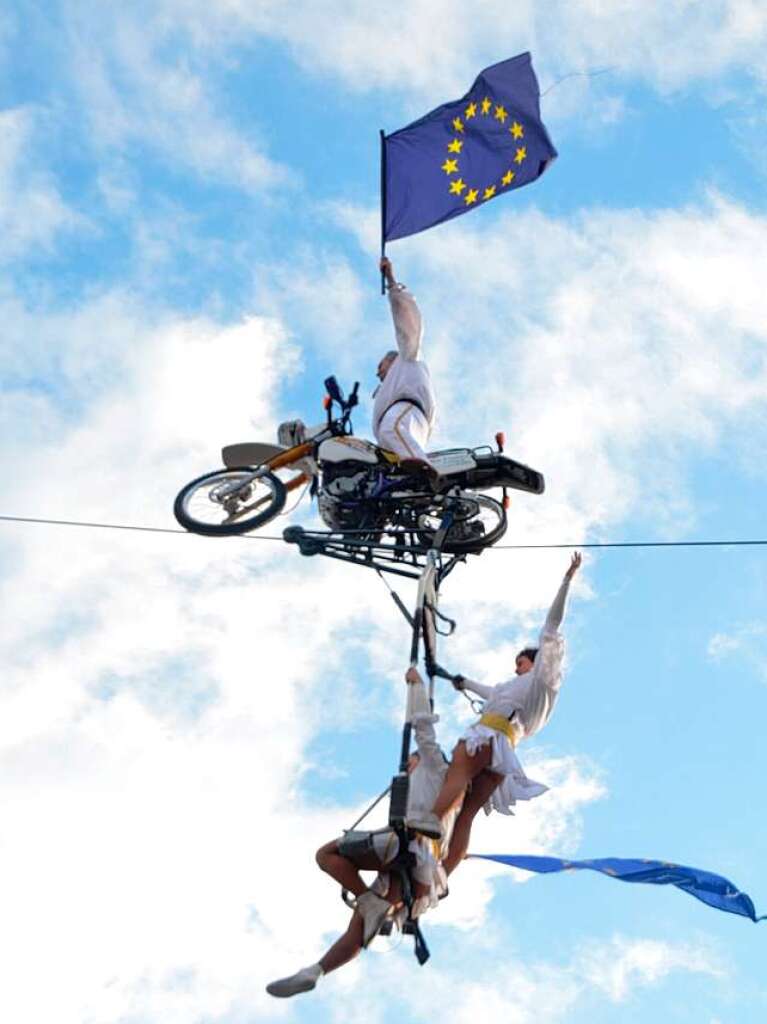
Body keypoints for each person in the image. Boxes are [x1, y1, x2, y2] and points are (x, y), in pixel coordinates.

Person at [265, 667, 462, 999]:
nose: (410, 765)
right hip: (421, 871)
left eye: (413, 761)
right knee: (358, 931)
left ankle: (368, 903)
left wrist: (415, 685)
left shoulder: (434, 766)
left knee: (327, 855)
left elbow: (423, 727)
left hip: (407, 845)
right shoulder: (452, 797)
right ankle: (317, 970)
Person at [408, 553, 582, 855]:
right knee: (467, 814)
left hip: (489, 737)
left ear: (535, 661)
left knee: (458, 774)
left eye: (521, 662)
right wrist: (461, 682)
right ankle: (447, 866)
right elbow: (491, 692)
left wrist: (567, 580)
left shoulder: (543, 678)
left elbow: (552, 625)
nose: (517, 668)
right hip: (502, 752)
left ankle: (433, 820)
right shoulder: (517, 689)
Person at [373, 257, 436, 470]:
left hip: (406, 413)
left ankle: (422, 471)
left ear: (392, 360)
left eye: (380, 365)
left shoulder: (407, 357)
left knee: (391, 428)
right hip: (408, 432)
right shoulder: (389, 388)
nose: (377, 373)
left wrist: (391, 281)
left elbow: (407, 324)